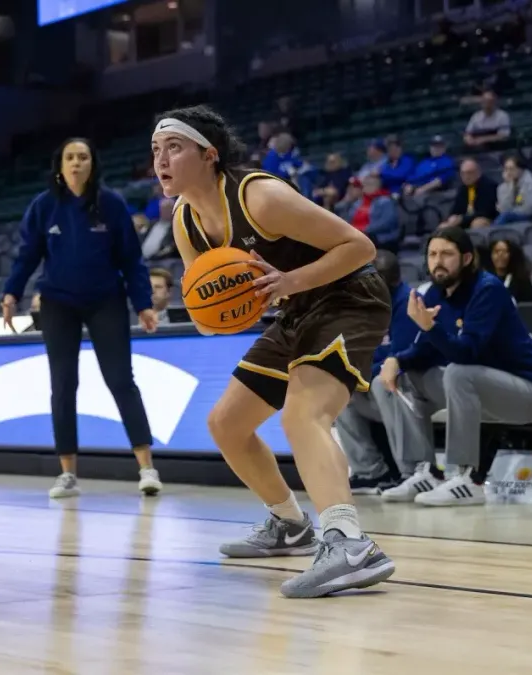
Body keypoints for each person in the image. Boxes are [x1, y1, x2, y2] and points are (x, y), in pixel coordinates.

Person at [153, 105, 396, 598]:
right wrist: (211, 313)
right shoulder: (186, 221)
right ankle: (289, 523)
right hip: (295, 309)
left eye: (174, 147)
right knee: (227, 423)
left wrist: (290, 280)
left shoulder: (260, 197)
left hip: (349, 297)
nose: (161, 158)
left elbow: (360, 246)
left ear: (209, 154)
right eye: (156, 150)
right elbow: (209, 306)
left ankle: (349, 543)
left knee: (302, 415)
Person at [2, 137, 162, 499]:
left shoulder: (112, 204)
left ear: (93, 164)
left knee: (121, 380)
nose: (76, 163)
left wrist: (144, 304)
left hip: (106, 299)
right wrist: (12, 292)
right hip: (58, 302)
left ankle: (147, 467)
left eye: (83, 157)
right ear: (60, 165)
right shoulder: (43, 206)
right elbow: (27, 255)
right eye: (70, 157)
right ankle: (68, 474)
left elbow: (131, 260)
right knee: (63, 385)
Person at [378, 227, 532, 506]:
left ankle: (466, 478)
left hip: (530, 391)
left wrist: (430, 327)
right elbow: (426, 350)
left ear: (466, 258)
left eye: (447, 254)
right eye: (432, 254)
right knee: (404, 377)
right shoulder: (436, 294)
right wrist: (397, 360)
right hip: (483, 390)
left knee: (458, 373)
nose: (438, 261)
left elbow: (467, 353)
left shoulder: (487, 289)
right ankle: (424, 471)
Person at [334, 251, 413, 494]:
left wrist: (367, 371)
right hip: (375, 388)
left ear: (394, 282)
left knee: (384, 381)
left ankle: (408, 473)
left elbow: (401, 356)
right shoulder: (366, 305)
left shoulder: (408, 301)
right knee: (338, 390)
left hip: (407, 389)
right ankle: (370, 472)